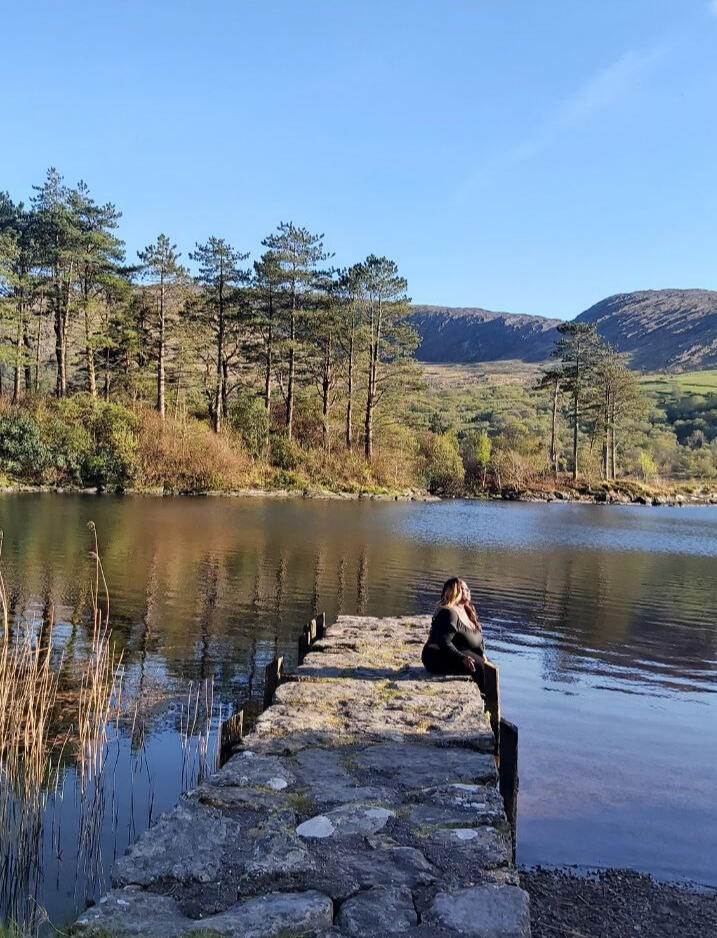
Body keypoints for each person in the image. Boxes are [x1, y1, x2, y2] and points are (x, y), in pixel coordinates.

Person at [422, 577, 485, 692]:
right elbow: (443, 642)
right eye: (465, 589)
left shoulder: (467, 610)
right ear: (458, 592)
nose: (469, 591)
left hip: (457, 649)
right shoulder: (449, 613)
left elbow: (478, 636)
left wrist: (482, 653)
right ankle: (485, 701)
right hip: (437, 656)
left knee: (485, 664)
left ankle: (490, 703)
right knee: (479, 665)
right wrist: (462, 658)